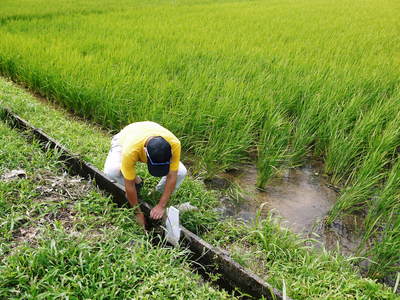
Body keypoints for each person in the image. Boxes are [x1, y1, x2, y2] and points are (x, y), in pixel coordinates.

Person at [103, 121, 187, 227]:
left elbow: (173, 175)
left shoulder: (174, 144)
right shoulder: (130, 150)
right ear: (145, 152)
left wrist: (161, 205)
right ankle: (137, 181)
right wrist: (138, 212)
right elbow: (129, 185)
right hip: (125, 138)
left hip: (149, 132)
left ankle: (156, 195)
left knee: (181, 171)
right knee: (111, 171)